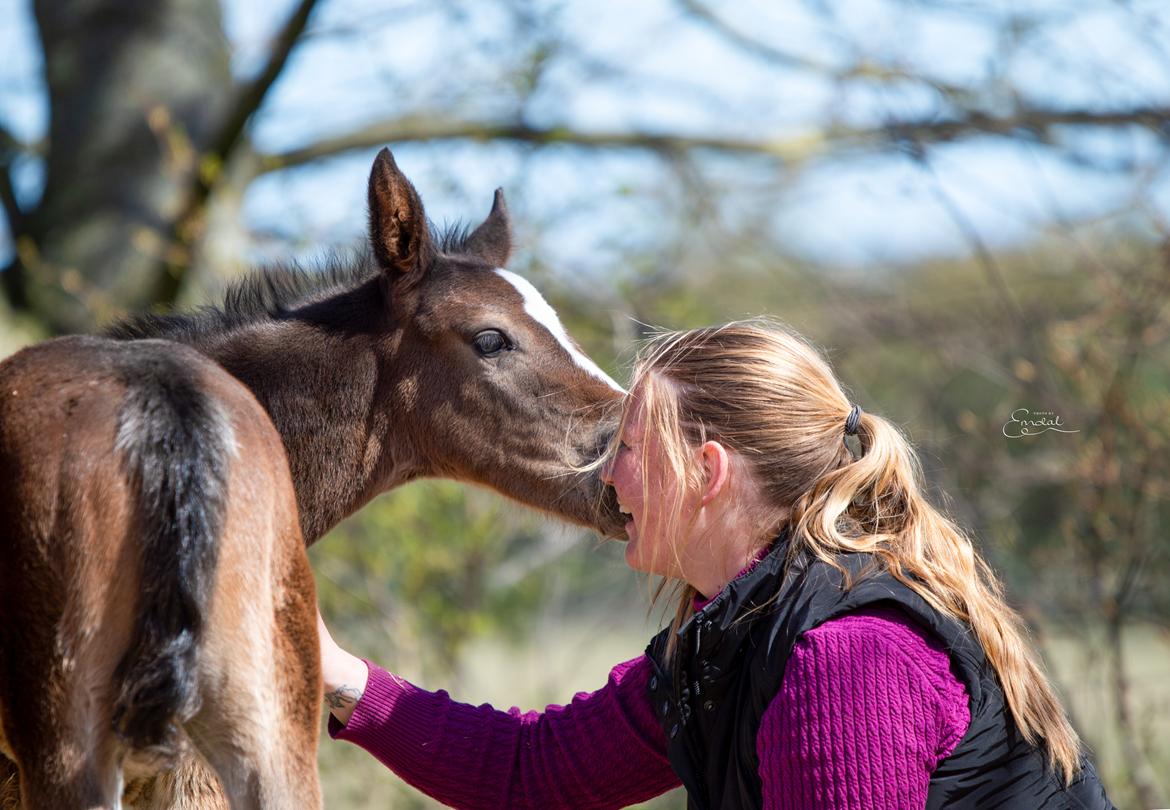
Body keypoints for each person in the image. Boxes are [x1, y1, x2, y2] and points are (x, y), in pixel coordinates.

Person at [317, 320, 1113, 809]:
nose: (609, 478)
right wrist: (334, 673)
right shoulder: (734, 636)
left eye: (626, 448)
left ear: (707, 471)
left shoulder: (844, 659)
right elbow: (534, 770)